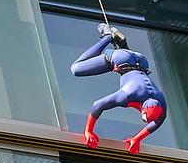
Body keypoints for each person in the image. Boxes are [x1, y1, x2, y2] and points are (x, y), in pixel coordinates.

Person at [72, 26, 168, 154]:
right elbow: (97, 105)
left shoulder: (160, 100)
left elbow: (158, 121)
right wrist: (88, 131)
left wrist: (137, 139)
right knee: (76, 69)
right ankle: (108, 36)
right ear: (142, 110)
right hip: (121, 60)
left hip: (142, 61)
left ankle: (122, 44)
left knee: (128, 64)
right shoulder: (128, 95)